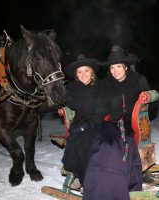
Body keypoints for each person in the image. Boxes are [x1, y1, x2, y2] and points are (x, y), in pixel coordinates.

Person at [83, 48, 151, 199]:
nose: (115, 71)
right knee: (102, 144)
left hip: (131, 123)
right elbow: (99, 108)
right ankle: (98, 188)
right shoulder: (105, 84)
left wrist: (135, 112)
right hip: (109, 121)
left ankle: (115, 189)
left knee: (115, 147)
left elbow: (150, 108)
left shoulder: (138, 80)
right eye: (112, 67)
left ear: (126, 67)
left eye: (118, 66)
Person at [61, 54, 100, 191]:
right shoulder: (72, 87)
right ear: (76, 75)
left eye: (86, 70)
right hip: (80, 122)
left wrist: (89, 106)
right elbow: (69, 101)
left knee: (95, 140)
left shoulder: (100, 86)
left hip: (98, 121)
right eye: (79, 71)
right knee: (80, 142)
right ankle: (83, 178)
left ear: (92, 72)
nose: (83, 74)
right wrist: (88, 105)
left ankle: (91, 178)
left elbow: (103, 105)